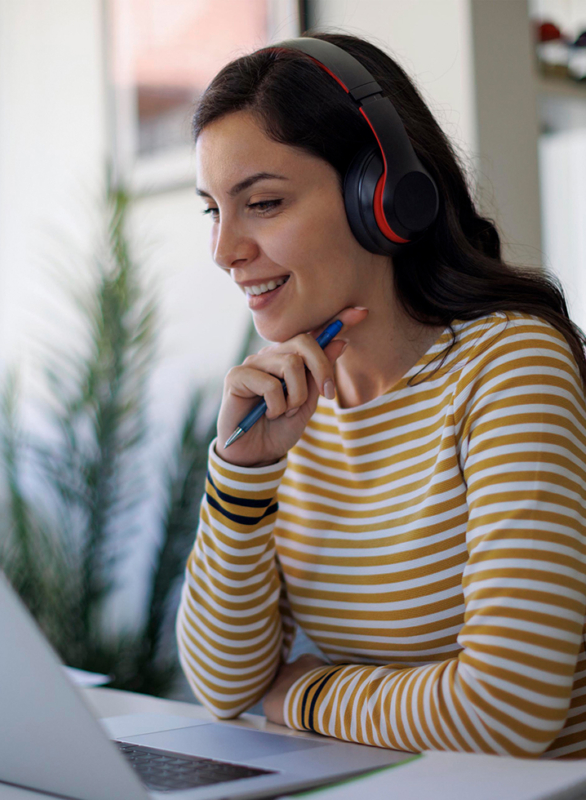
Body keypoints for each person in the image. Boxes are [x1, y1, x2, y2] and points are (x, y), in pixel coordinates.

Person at [175, 32, 586, 759]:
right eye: (213, 210)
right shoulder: (287, 401)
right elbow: (224, 683)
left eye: (263, 203)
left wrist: (299, 695)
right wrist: (242, 473)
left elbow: (507, 711)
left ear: (384, 195)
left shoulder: (510, 366)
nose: (225, 250)